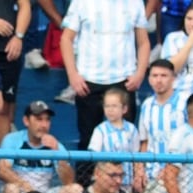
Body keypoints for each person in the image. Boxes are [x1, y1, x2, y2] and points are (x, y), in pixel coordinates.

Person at [60, 0, 149, 150]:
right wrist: (72, 75)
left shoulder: (136, 2)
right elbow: (66, 39)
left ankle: (127, 174)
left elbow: (144, 42)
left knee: (126, 140)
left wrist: (140, 73)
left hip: (124, 82)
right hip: (89, 82)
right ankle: (86, 175)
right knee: (87, 141)